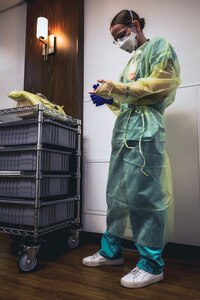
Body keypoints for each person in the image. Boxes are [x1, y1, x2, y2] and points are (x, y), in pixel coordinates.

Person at [83, 9, 181, 289]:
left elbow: (158, 87)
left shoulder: (159, 46)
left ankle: (152, 265)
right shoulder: (130, 63)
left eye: (120, 35)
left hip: (146, 134)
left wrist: (117, 88)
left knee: (146, 197)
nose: (119, 42)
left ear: (135, 26)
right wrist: (111, 99)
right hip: (124, 134)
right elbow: (129, 99)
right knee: (117, 194)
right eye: (114, 39)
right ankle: (111, 251)